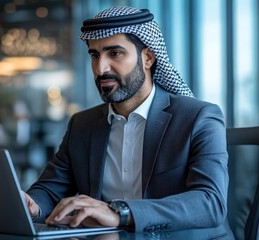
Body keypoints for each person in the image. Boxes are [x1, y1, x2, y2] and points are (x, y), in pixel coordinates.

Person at [24, 6, 230, 233]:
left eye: (115, 53)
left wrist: (120, 213)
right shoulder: (82, 125)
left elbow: (211, 203)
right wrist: (31, 205)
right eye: (95, 55)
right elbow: (50, 190)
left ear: (148, 58)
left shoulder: (199, 118)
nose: (101, 68)